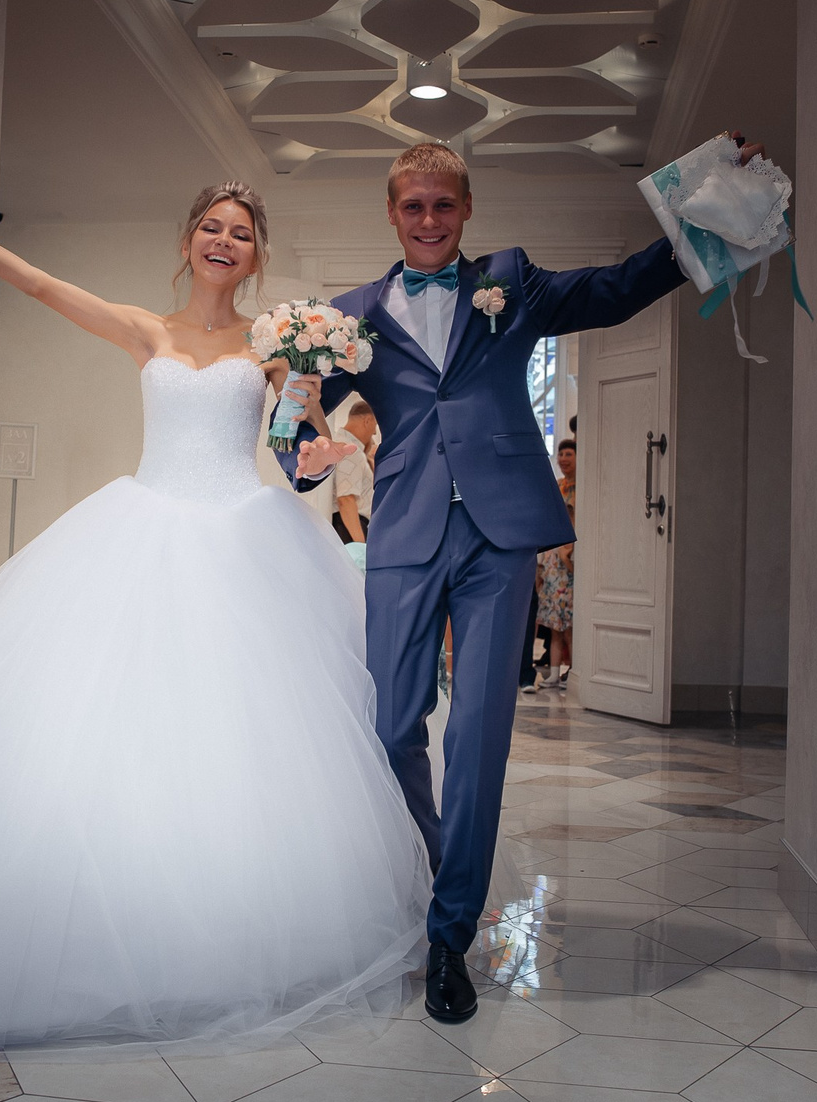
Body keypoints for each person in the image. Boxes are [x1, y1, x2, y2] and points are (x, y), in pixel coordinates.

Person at [0, 168, 431, 1054]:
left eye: (240, 233)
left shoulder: (274, 346)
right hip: (143, 527)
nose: (224, 241)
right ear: (189, 240)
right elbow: (39, 284)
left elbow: (294, 452)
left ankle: (219, 934)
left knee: (231, 740)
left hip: (245, 541)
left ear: (256, 256)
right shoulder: (146, 329)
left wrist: (313, 428)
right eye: (213, 227)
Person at [275, 138, 763, 1023]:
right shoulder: (348, 316)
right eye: (414, 205)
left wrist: (719, 199)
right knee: (390, 728)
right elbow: (297, 418)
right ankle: (434, 868)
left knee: (479, 736)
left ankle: (450, 932)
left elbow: (616, 288)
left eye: (444, 205)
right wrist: (298, 444)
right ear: (392, 213)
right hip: (406, 528)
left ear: (466, 210)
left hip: (499, 535)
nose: (429, 220)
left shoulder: (512, 282)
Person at [535, 438, 578, 688]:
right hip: (552, 563)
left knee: (569, 627)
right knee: (554, 626)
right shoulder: (558, 487)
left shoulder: (582, 489)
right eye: (560, 454)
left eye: (568, 454)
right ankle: (553, 673)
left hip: (570, 561)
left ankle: (572, 672)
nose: (563, 459)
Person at [331, 398, 377, 545]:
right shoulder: (351, 450)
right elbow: (346, 499)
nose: (375, 432)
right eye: (375, 426)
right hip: (351, 529)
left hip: (347, 527)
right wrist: (360, 545)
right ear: (367, 421)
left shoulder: (340, 444)